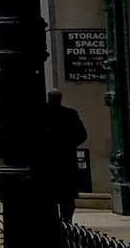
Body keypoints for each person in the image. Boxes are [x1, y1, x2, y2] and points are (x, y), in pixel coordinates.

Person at [44, 90, 89, 222]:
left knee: (50, 192)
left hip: (48, 159)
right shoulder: (70, 114)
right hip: (66, 159)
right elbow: (82, 135)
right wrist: (70, 145)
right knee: (67, 195)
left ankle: (54, 221)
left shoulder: (42, 114)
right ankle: (66, 220)